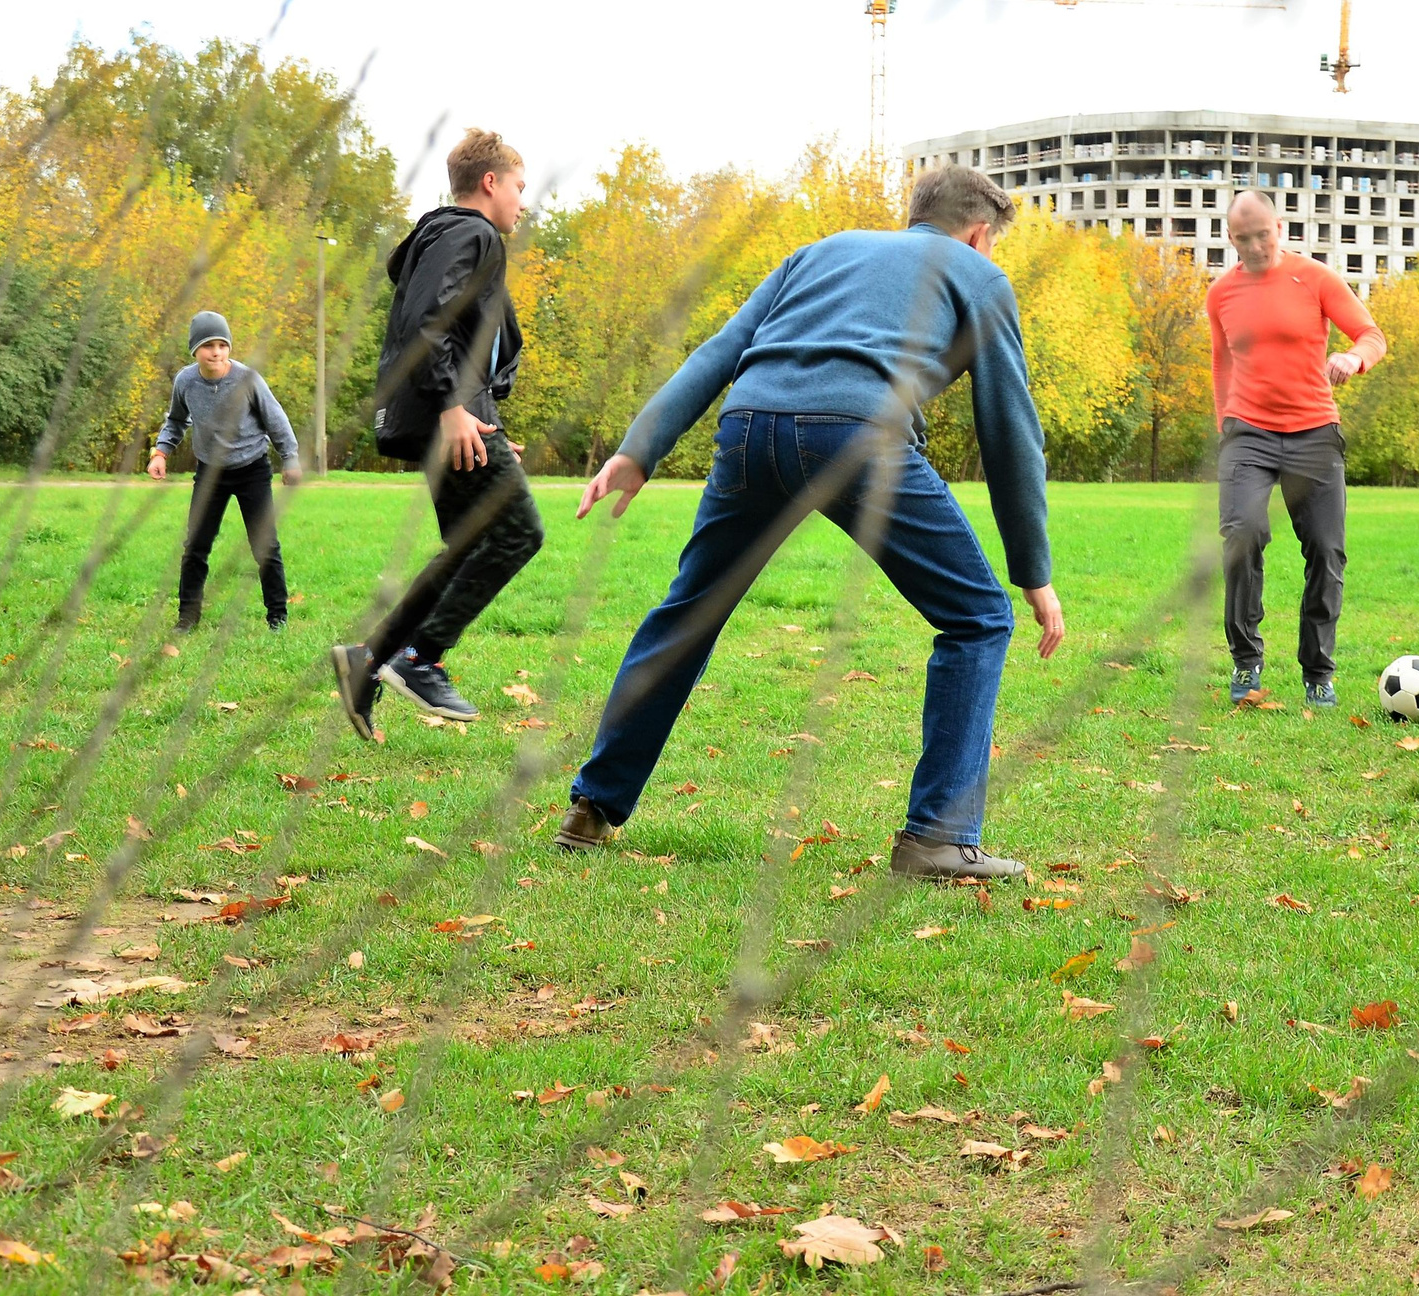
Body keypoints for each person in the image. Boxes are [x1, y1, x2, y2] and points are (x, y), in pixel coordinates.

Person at [552, 164, 1066, 880]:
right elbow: (1010, 429)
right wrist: (1033, 573)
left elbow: (719, 352)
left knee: (689, 612)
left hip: (749, 426)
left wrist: (641, 450)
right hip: (859, 435)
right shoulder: (978, 276)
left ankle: (592, 807)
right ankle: (938, 840)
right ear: (979, 235)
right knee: (978, 617)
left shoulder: (819, 252)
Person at [330, 129, 545, 739]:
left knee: (467, 548)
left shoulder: (448, 238)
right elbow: (429, 320)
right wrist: (455, 405)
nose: (522, 204)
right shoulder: (469, 233)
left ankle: (366, 662)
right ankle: (421, 658)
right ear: (490, 182)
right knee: (519, 532)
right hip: (442, 413)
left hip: (451, 417)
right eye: (520, 189)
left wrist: (485, 421)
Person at [1207, 191, 1387, 707]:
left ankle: (1318, 671)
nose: (1256, 246)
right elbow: (1223, 362)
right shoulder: (1221, 294)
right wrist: (1226, 422)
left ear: (1279, 227)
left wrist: (1354, 358)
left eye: (1263, 234)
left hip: (1314, 433)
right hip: (1248, 435)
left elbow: (1371, 334)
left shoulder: (1315, 279)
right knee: (1242, 534)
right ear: (1231, 238)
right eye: (1244, 239)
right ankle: (1247, 664)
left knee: (1327, 551)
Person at [149, 312, 301, 632]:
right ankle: (187, 617)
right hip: (210, 473)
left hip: (252, 470)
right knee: (196, 546)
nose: (216, 352)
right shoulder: (186, 381)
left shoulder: (247, 379)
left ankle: (277, 616)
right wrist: (161, 452)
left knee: (265, 546)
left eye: (222, 345)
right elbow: (176, 420)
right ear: (195, 351)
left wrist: (290, 458)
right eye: (207, 346)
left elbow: (276, 419)